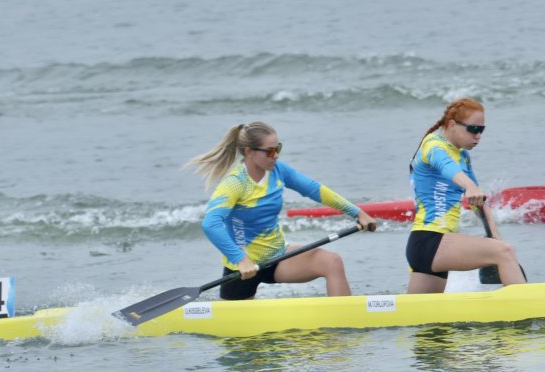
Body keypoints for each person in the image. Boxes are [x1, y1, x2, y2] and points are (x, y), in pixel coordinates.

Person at [189, 121, 377, 300]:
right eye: (270, 151)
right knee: (231, 332)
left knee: (332, 262)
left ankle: (343, 327)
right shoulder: (235, 184)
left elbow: (314, 189)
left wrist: (357, 212)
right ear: (249, 152)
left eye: (277, 148)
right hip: (243, 269)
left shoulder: (278, 170)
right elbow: (211, 224)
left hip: (278, 257)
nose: (276, 155)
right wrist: (240, 259)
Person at [406, 97, 524, 293]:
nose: (478, 136)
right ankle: (529, 310)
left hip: (433, 249)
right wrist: (469, 186)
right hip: (430, 240)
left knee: (421, 320)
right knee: (505, 252)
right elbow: (446, 166)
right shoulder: (432, 144)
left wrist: (494, 236)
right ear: (452, 125)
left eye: (482, 130)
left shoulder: (462, 156)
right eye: (473, 129)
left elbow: (480, 202)